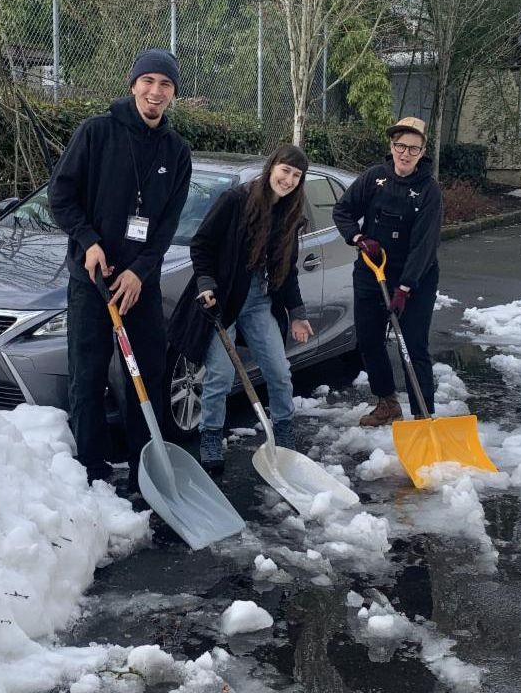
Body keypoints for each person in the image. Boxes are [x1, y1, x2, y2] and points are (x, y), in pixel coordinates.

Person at [48, 48, 193, 494]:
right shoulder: (96, 133)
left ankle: (144, 468)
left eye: (165, 85)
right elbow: (61, 196)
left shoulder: (177, 152)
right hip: (91, 280)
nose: (155, 92)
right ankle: (91, 470)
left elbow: (166, 227)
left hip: (138, 285)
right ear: (133, 85)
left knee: (145, 375)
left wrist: (140, 273)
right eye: (148, 81)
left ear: (172, 95)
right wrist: (88, 241)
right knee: (87, 375)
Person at [167, 145, 314, 472]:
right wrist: (205, 282)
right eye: (284, 170)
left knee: (278, 370)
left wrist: (299, 314)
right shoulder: (235, 201)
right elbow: (201, 244)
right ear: (272, 166)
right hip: (222, 301)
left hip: (260, 302)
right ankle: (210, 435)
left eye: (295, 175)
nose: (288, 179)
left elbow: (286, 271)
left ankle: (284, 433)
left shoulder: (290, 215)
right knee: (220, 374)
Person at [332, 117, 443, 427]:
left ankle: (423, 415)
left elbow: (424, 245)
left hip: (415, 279)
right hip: (371, 270)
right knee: (368, 339)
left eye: (413, 148)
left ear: (422, 152)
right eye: (400, 146)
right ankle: (387, 403)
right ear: (391, 146)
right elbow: (343, 210)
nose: (405, 154)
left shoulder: (429, 191)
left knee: (413, 344)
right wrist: (357, 237)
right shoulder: (374, 178)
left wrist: (405, 288)